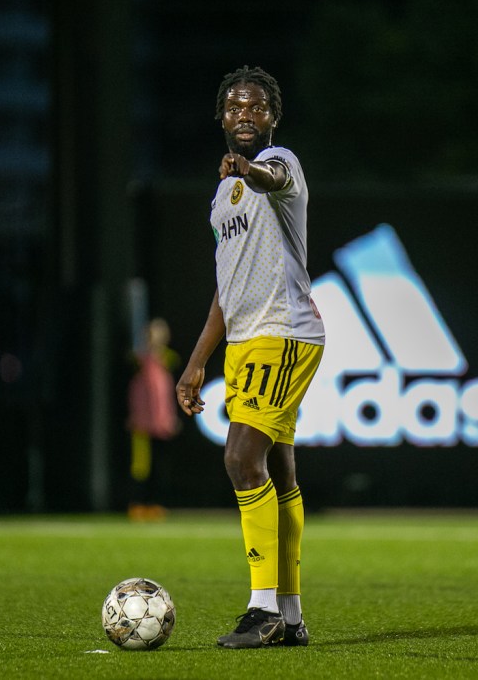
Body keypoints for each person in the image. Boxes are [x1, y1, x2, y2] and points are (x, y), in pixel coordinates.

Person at [176, 66, 324, 649]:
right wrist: (195, 361)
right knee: (278, 468)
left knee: (241, 459)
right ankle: (289, 616)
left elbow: (269, 177)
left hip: (282, 332)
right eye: (236, 107)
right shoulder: (221, 199)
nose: (246, 115)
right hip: (243, 340)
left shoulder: (280, 165)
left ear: (273, 118)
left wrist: (248, 167)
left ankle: (261, 609)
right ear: (221, 117)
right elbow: (226, 284)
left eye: (257, 107)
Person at [126, 317, 180, 521]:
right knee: (140, 466)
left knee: (159, 465)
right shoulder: (139, 360)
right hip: (141, 424)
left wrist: (171, 418)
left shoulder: (168, 360)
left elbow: (165, 394)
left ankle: (154, 504)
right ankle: (137, 504)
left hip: (162, 424)